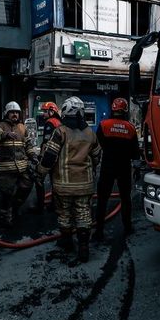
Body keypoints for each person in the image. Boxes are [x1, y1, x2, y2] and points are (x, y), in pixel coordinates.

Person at [37, 96, 102, 263]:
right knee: (83, 214)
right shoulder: (90, 133)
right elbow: (97, 156)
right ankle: (83, 248)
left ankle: (66, 242)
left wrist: (40, 173)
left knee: (64, 214)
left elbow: (49, 157)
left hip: (63, 184)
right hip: (84, 185)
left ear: (65, 111)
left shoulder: (61, 132)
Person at [94, 98, 139, 240]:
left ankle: (99, 231)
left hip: (107, 166)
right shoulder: (131, 128)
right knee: (126, 199)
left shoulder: (104, 125)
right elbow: (135, 153)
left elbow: (96, 146)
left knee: (102, 199)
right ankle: (127, 227)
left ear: (113, 109)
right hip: (124, 167)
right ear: (125, 110)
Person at [0, 101, 38, 226]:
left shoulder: (23, 128)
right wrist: (6, 134)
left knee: (26, 186)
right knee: (6, 193)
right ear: (7, 113)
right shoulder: (0, 125)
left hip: (22, 167)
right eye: (12, 112)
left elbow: (28, 145)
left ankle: (15, 208)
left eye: (16, 113)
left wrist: (33, 156)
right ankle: (5, 216)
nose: (14, 115)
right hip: (7, 169)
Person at [34, 102, 62, 214]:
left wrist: (41, 157)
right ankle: (54, 206)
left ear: (51, 111)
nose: (43, 114)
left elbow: (46, 142)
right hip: (58, 157)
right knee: (54, 182)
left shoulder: (50, 122)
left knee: (38, 179)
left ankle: (40, 207)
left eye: (45, 111)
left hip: (49, 157)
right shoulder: (60, 122)